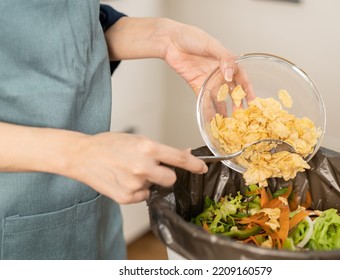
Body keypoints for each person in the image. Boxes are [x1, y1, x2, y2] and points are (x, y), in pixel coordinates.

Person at [0, 1, 236, 259]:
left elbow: (56, 25)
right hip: (15, 212)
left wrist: (163, 36)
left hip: (91, 207)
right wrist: (78, 153)